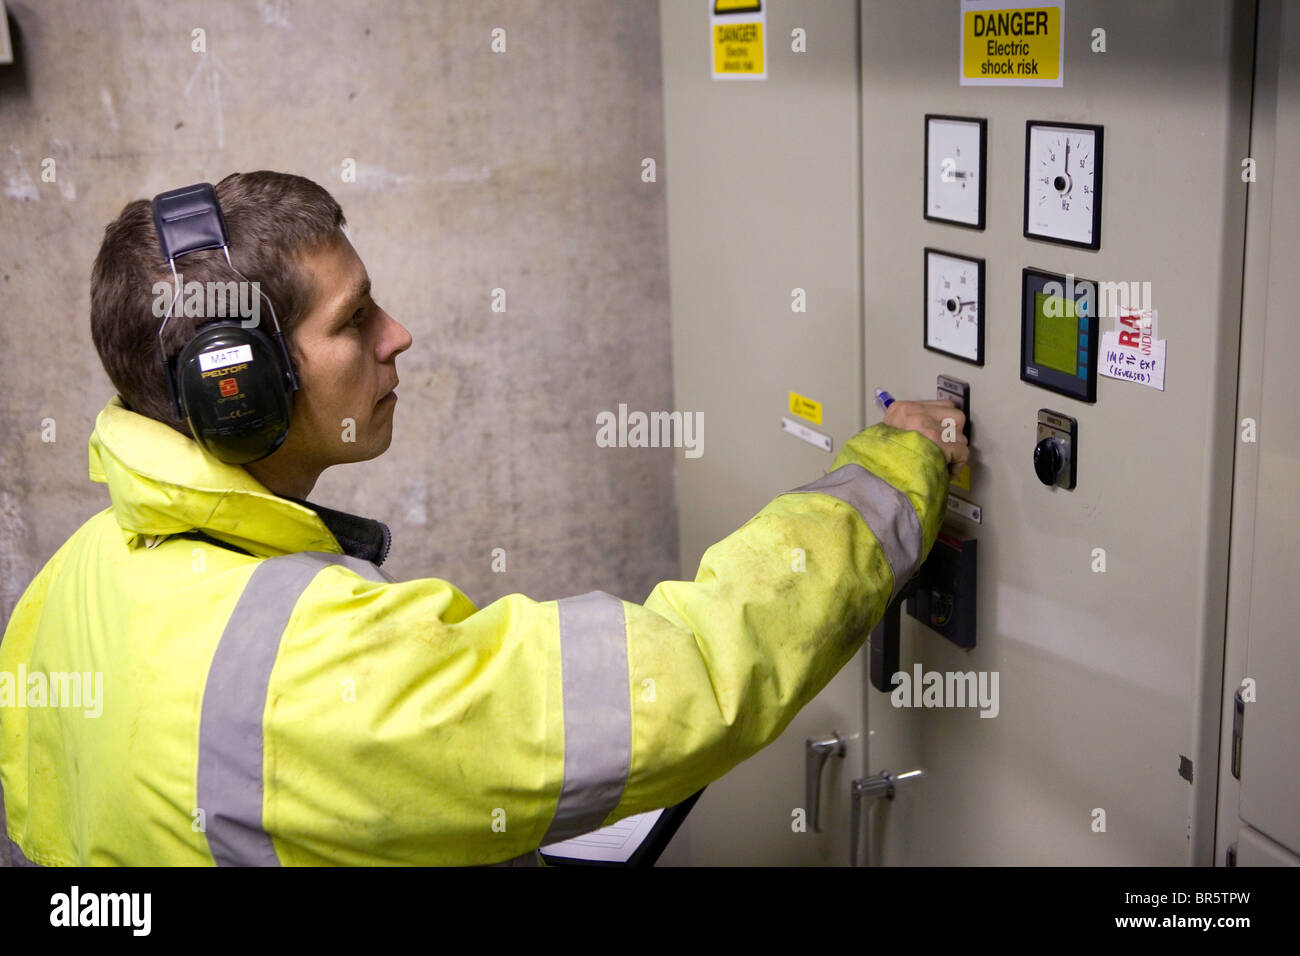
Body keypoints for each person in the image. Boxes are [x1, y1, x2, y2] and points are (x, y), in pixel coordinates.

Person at [0, 170, 969, 867]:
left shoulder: (77, 573)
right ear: (238, 390)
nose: (398, 335)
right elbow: (687, 678)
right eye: (353, 319)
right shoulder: (313, 665)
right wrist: (889, 474)